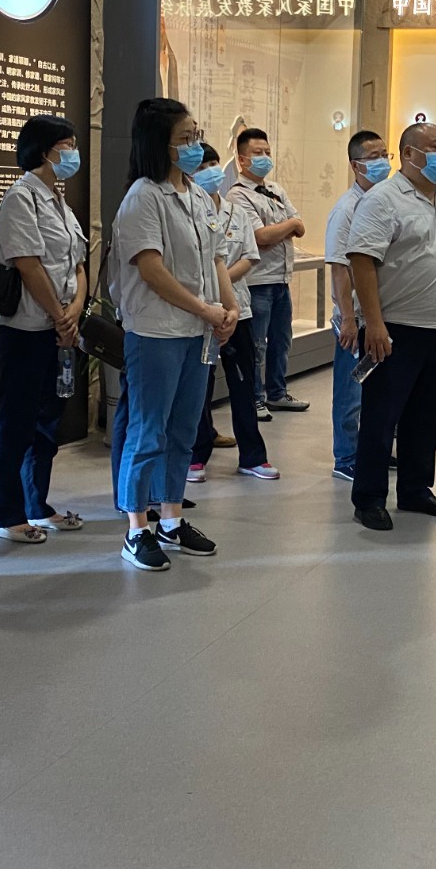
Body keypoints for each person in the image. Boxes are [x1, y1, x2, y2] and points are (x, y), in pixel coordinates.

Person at [111, 99, 236, 570]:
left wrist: (229, 308)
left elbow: (216, 258)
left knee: (183, 430)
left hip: (196, 333)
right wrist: (205, 309)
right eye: (185, 138)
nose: (194, 145)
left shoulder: (198, 196)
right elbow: (151, 269)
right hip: (156, 332)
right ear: (159, 144)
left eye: (196, 135)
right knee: (149, 431)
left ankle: (171, 519)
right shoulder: (143, 197)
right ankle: (136, 528)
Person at [346, 122, 436, 531]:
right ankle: (369, 498)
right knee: (382, 417)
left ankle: (416, 490)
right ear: (408, 154)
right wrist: (373, 323)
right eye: (435, 147)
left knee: (427, 418)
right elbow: (362, 260)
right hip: (395, 328)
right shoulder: (383, 199)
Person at [0, 115, 89, 545]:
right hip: (27, 327)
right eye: (67, 145)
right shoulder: (20, 197)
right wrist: (59, 315)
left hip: (61, 328)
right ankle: (3, 513)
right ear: (44, 151)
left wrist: (74, 311)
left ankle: (36, 504)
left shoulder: (59, 201)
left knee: (47, 422)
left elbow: (78, 264)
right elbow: (28, 264)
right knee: (17, 421)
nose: (73, 153)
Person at [188, 143, 277, 482]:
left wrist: (221, 278)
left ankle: (253, 456)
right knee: (200, 386)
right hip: (201, 313)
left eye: (213, 164)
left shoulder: (235, 212)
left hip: (238, 311)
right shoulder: (187, 211)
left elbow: (250, 256)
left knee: (244, 385)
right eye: (201, 167)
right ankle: (196, 455)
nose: (209, 171)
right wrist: (215, 280)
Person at [227, 127, 307, 418]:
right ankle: (255, 398)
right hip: (258, 280)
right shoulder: (237, 195)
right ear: (242, 159)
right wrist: (288, 226)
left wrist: (284, 228)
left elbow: (300, 226)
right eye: (257, 153)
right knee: (257, 344)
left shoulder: (276, 190)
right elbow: (260, 236)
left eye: (267, 152)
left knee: (281, 340)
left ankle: (277, 393)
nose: (264, 157)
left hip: (282, 278)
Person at [324, 129, 390, 482]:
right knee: (350, 391)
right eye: (373, 157)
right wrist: (348, 319)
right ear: (355, 165)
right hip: (356, 318)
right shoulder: (346, 209)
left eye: (385, 155)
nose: (382, 163)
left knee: (378, 390)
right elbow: (339, 267)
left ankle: (372, 449)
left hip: (380, 314)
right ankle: (345, 456)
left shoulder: (383, 202)